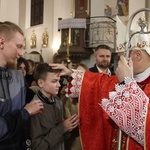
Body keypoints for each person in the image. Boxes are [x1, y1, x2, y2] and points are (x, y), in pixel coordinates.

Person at [49, 16, 150, 149]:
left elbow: (144, 127)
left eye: (123, 57)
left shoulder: (129, 80)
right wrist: (72, 73)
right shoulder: (125, 79)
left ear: (137, 55)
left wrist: (127, 83)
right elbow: (98, 84)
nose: (120, 63)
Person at [0, 21, 44, 150]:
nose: (21, 53)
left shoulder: (18, 76)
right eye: (18, 46)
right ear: (1, 42)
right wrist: (25, 112)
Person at [30, 63, 79, 150]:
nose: (59, 85)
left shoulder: (57, 101)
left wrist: (69, 127)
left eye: (58, 80)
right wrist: (62, 127)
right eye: (54, 81)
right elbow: (37, 146)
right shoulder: (34, 107)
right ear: (40, 83)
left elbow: (63, 137)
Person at [64, 63, 88, 150]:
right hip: (74, 140)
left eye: (81, 74)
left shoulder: (92, 96)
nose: (79, 78)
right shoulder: (68, 97)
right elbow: (68, 118)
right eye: (77, 74)